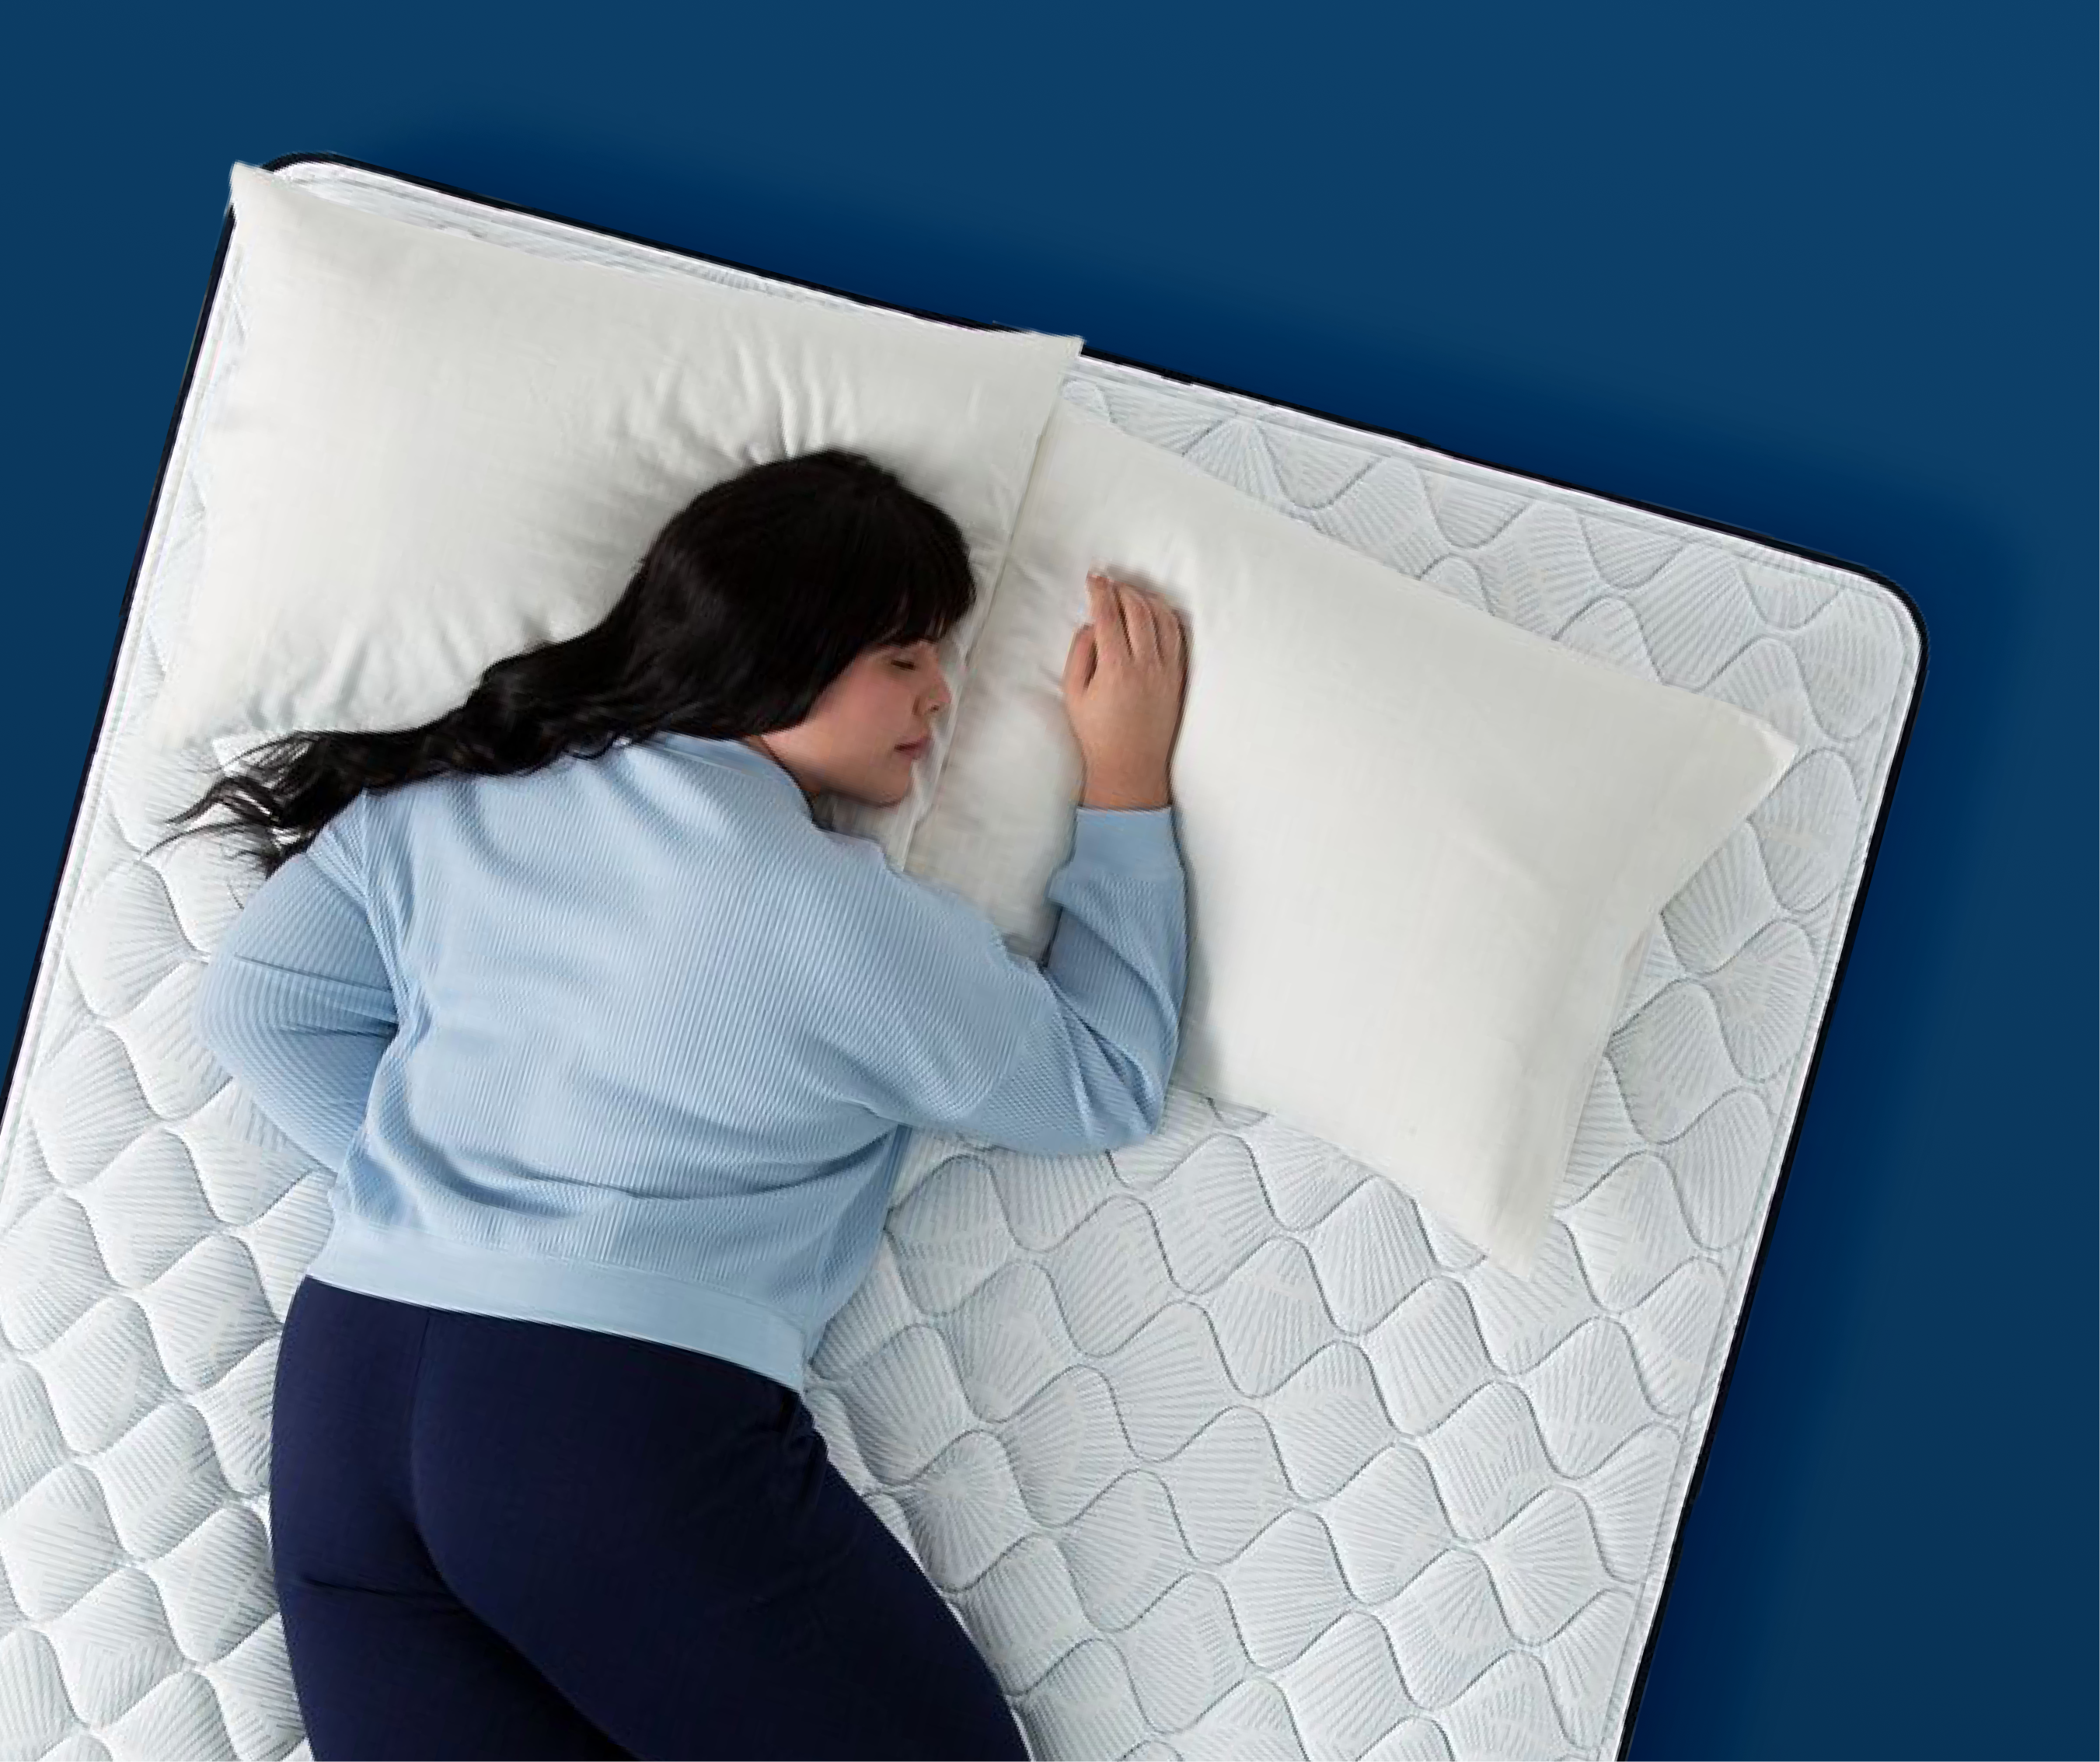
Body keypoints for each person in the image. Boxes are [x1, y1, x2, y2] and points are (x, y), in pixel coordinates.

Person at [166, 448, 1190, 1762]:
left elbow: (262, 1009)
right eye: (905, 656)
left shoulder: (450, 799)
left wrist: (434, 1198)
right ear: (784, 647)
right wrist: (1125, 783)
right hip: (590, 1425)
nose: (942, 694)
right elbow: (1100, 1078)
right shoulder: (838, 915)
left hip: (348, 1395)